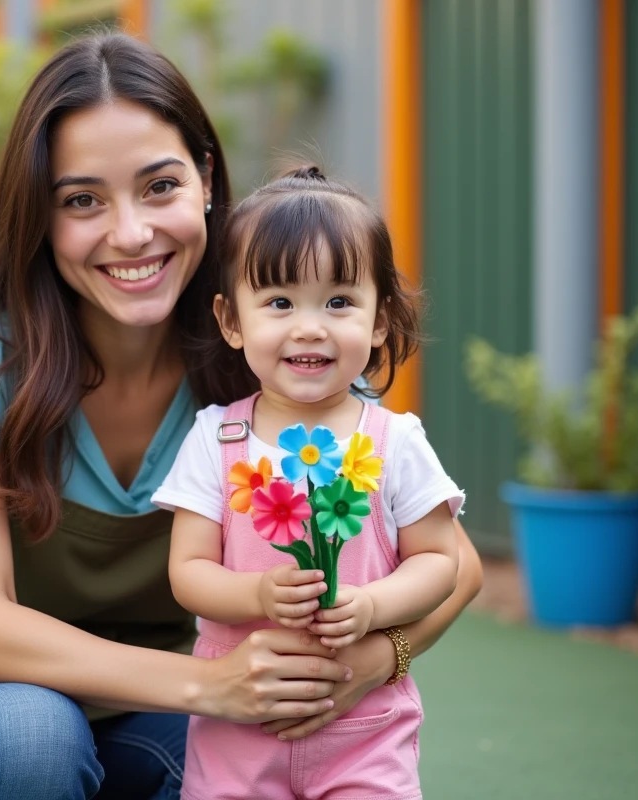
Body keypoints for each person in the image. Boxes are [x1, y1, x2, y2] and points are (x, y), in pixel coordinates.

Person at [0, 33, 484, 800]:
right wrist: (213, 687)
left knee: (267, 755)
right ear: (40, 215)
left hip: (168, 698)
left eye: (158, 187)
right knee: (36, 743)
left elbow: (457, 564)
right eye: (83, 200)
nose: (131, 233)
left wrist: (373, 663)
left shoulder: (264, 333)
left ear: (206, 179)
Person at [154, 166, 464, 799]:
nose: (310, 326)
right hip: (239, 726)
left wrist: (376, 606)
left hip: (364, 732)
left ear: (381, 319)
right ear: (231, 320)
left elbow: (441, 559)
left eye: (340, 301)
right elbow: (188, 572)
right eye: (279, 302)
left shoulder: (393, 441)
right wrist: (259, 595)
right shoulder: (216, 439)